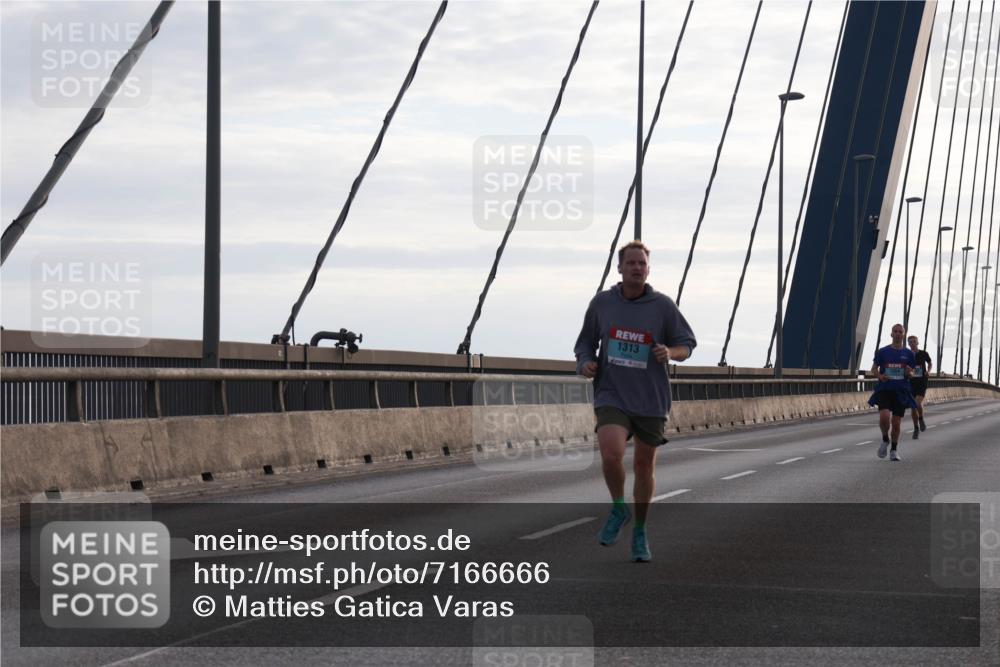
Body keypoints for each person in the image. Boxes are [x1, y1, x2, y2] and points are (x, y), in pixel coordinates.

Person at [574, 240, 697, 562]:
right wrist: (585, 363)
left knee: (644, 465)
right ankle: (618, 508)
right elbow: (585, 344)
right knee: (611, 453)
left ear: (648, 269)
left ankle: (640, 531)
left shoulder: (663, 307)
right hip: (611, 393)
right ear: (620, 268)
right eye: (631, 263)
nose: (637, 268)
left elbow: (686, 345)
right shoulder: (602, 304)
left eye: (642, 264)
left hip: (650, 397)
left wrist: (670, 352)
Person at [868, 324, 917, 462]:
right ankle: (885, 439)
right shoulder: (882, 352)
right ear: (891, 334)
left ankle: (894, 450)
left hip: (901, 391)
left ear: (903, 335)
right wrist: (880, 376)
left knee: (896, 423)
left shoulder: (909, 354)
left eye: (900, 332)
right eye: (895, 331)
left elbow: (912, 373)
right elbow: (873, 369)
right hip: (885, 389)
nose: (897, 334)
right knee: (884, 417)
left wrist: (910, 373)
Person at [906, 334, 932, 438]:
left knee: (916, 403)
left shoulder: (923, 353)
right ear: (908, 344)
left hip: (922, 381)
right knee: (913, 407)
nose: (912, 344)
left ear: (917, 343)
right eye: (910, 342)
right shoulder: (907, 355)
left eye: (914, 342)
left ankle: (920, 418)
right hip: (911, 382)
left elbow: (930, 363)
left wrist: (928, 371)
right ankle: (916, 428)